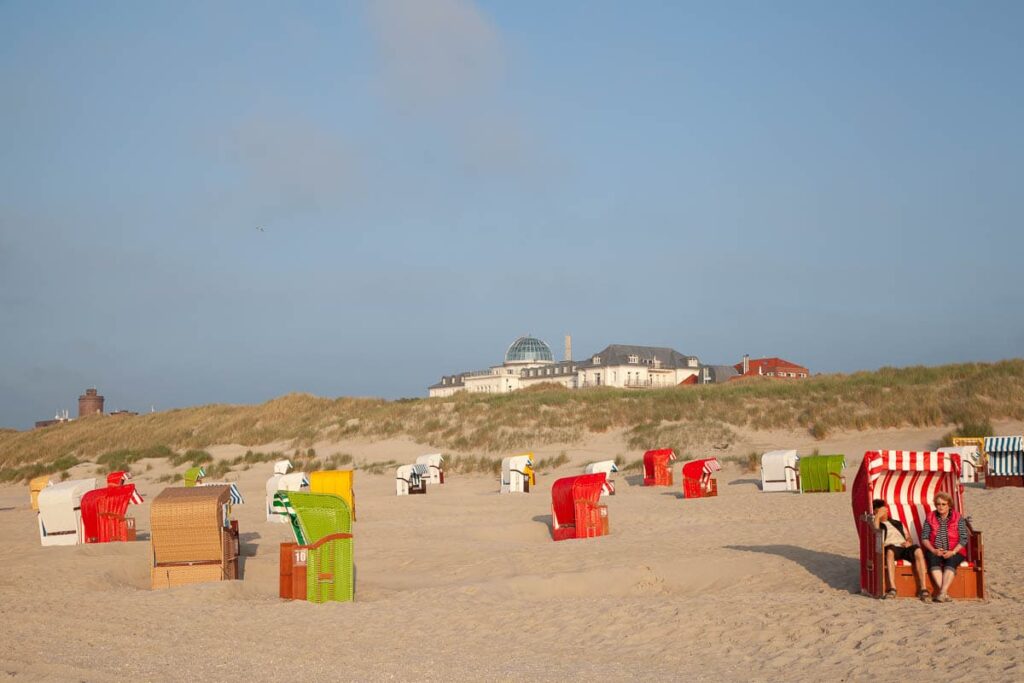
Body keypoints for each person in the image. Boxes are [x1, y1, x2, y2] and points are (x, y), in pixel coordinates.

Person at [872, 499, 929, 601]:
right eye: (881, 510)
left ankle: (923, 588)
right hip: (891, 547)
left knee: (918, 551)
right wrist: (877, 516)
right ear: (876, 511)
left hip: (903, 546)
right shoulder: (876, 523)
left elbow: (908, 537)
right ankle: (892, 588)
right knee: (889, 552)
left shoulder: (897, 523)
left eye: (885, 510)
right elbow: (876, 530)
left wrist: (909, 542)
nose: (885, 512)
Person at [921, 491, 969, 603]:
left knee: (951, 560)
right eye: (938, 504)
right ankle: (944, 594)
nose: (940, 507)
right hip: (935, 549)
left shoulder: (958, 517)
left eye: (943, 504)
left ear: (949, 505)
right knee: (932, 558)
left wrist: (953, 551)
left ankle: (942, 592)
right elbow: (924, 537)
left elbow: (963, 538)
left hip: (955, 549)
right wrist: (933, 550)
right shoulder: (930, 517)